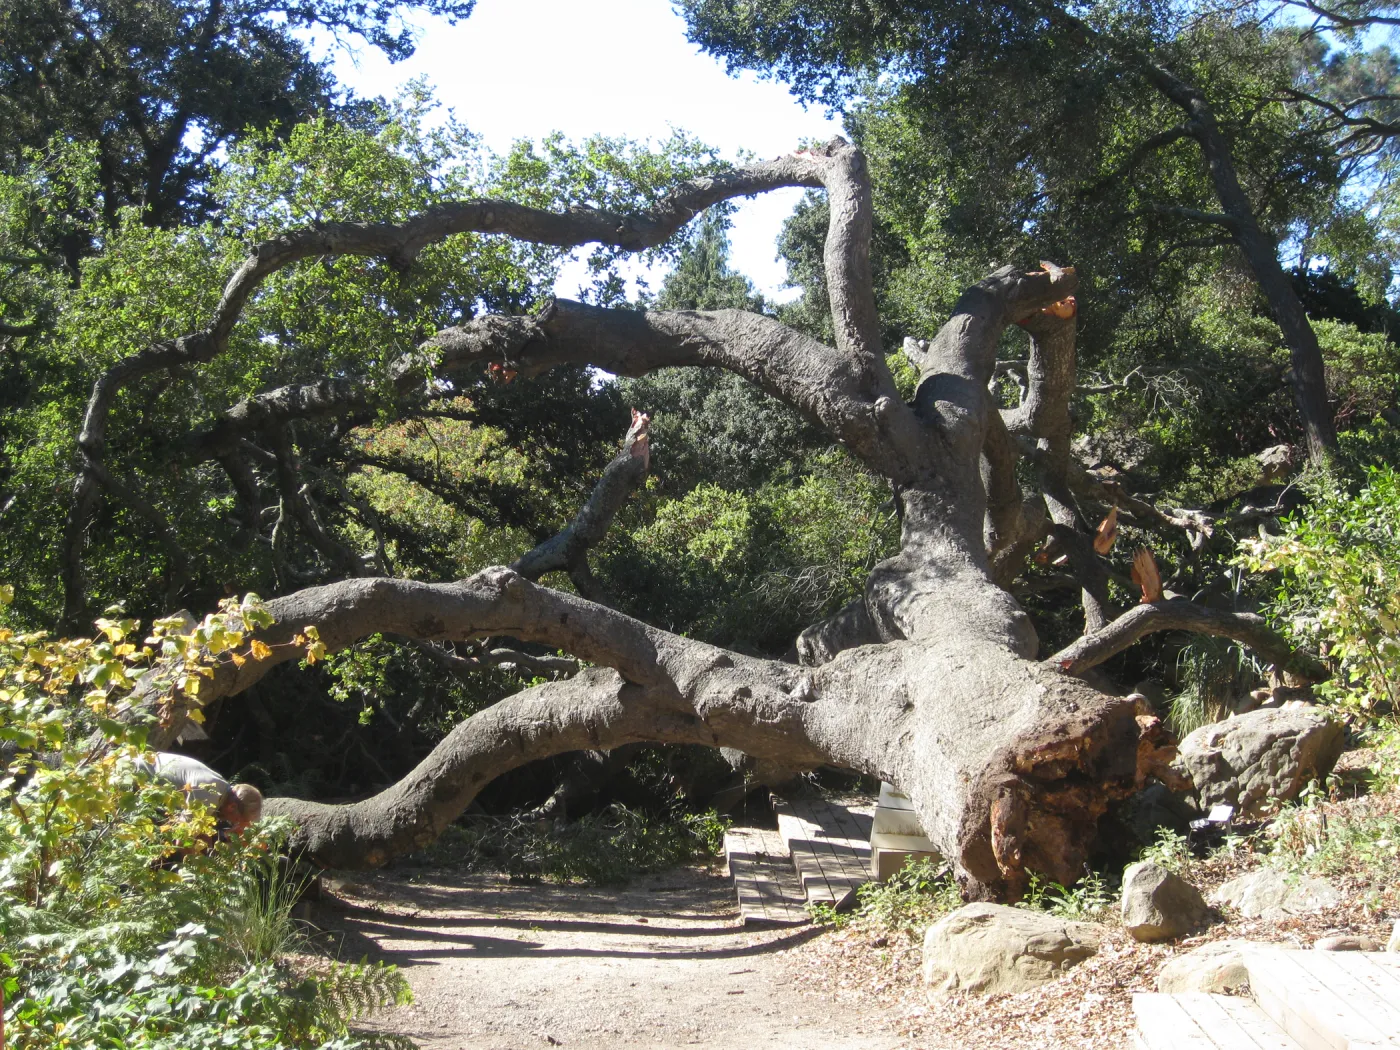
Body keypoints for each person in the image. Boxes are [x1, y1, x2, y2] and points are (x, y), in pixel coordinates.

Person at [136, 751, 263, 835]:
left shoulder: (219, 787)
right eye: (236, 820)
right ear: (232, 807)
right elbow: (182, 837)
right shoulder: (209, 795)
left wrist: (224, 836)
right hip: (133, 777)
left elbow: (200, 830)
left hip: (142, 774)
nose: (233, 824)